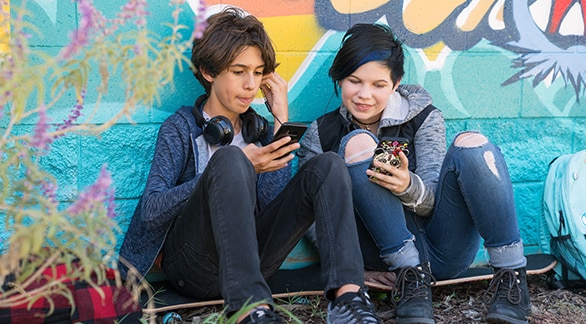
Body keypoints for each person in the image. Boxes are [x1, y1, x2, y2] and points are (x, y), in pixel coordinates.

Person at [117, 8, 382, 324]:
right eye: (239, 71)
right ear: (208, 71)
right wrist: (229, 170)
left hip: (256, 266)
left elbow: (274, 207)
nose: (250, 85)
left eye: (258, 73)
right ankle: (249, 312)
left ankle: (349, 302)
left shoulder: (259, 132)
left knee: (329, 165)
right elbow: (151, 211)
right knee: (229, 158)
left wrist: (281, 118)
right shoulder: (180, 128)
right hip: (192, 267)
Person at [298, 23, 529, 324]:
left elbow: (433, 196)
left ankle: (512, 278)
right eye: (355, 81)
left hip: (442, 247)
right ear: (339, 79)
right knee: (357, 144)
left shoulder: (423, 117)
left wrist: (408, 186)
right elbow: (311, 216)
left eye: (379, 85)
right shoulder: (321, 132)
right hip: (382, 258)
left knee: (472, 144)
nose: (365, 95)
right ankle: (411, 284)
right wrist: (354, 270)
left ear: (396, 83)